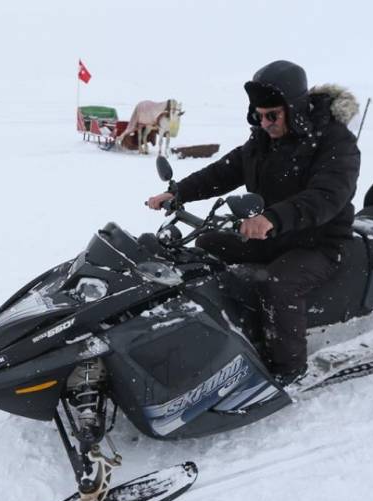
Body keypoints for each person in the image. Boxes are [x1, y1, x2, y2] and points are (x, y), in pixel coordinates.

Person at [146, 60, 360, 386]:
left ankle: (288, 368)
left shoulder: (335, 141)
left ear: (294, 107)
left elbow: (327, 196)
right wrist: (179, 193)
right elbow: (227, 170)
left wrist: (272, 218)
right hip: (272, 234)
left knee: (278, 283)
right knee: (206, 245)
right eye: (258, 115)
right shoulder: (264, 139)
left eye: (272, 115)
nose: (264, 122)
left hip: (320, 242)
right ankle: (220, 330)